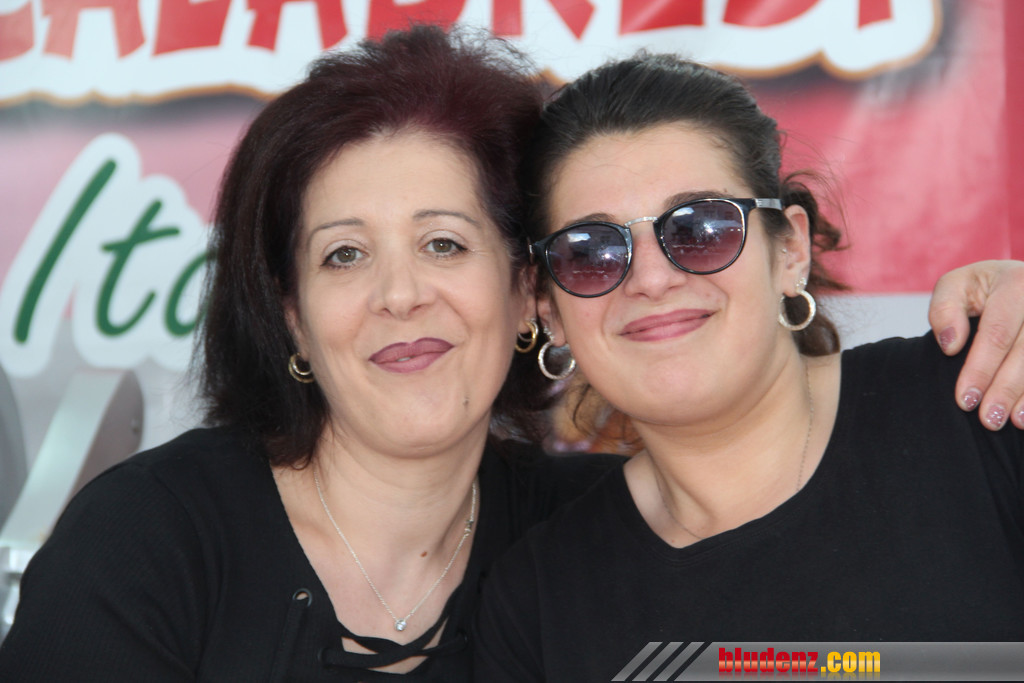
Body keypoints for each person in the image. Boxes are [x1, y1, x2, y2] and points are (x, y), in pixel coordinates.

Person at [0, 25, 1021, 683]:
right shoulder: (154, 539)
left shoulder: (979, 400)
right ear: (291, 317)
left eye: (445, 243)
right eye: (593, 251)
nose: (402, 293)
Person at [474, 52, 1024, 681]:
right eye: (591, 251)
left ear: (789, 250)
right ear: (547, 307)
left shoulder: (984, 398)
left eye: (702, 228)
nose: (651, 278)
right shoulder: (538, 601)